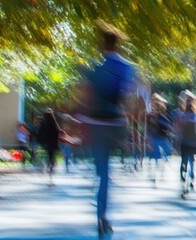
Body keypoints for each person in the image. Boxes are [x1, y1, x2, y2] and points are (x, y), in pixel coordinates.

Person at [75, 22, 136, 238]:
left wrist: (82, 120)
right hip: (115, 123)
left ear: (103, 45)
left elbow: (85, 96)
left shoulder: (94, 69)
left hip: (95, 123)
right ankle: (103, 214)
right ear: (118, 44)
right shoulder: (128, 68)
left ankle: (100, 213)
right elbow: (127, 98)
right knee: (107, 173)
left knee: (101, 172)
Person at [174, 90, 196, 199]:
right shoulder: (183, 115)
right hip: (187, 141)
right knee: (185, 161)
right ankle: (185, 176)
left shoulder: (194, 115)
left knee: (190, 161)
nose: (188, 103)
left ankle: (190, 178)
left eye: (189, 101)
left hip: (191, 141)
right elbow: (178, 127)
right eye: (186, 101)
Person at [147, 94, 173, 185]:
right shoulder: (151, 115)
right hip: (156, 137)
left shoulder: (162, 116)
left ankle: (158, 174)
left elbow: (167, 126)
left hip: (161, 137)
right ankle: (155, 175)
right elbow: (149, 127)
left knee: (160, 157)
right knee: (156, 157)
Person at [37, 108, 61, 183]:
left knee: (45, 155)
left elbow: (39, 133)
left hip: (45, 143)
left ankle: (44, 166)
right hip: (53, 144)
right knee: (51, 157)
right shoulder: (54, 124)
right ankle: (50, 170)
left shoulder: (43, 124)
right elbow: (57, 133)